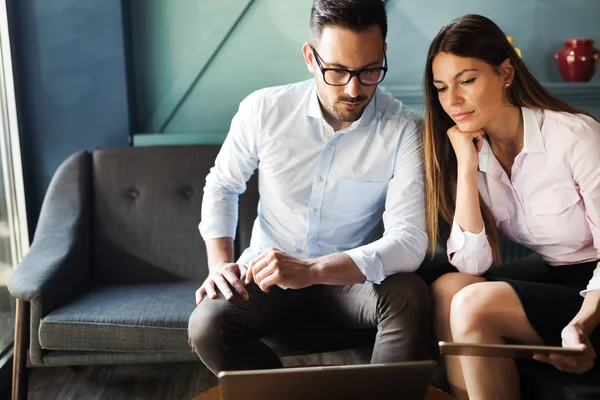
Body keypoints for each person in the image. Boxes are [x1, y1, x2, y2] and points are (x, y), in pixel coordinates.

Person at [187, 0, 431, 375]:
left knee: (409, 295)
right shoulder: (264, 109)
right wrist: (219, 264)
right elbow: (222, 185)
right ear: (310, 57)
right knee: (207, 323)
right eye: (336, 71)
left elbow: (410, 241)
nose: (353, 89)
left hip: (349, 281)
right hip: (265, 277)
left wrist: (312, 270)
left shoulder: (404, 129)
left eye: (369, 71)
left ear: (383, 53)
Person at [423, 13, 600, 400]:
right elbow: (471, 265)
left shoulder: (575, 136)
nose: (452, 100)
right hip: (557, 281)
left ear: (505, 74)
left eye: (466, 80)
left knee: (473, 303)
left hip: (595, 295)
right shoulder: (466, 149)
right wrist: (468, 169)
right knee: (450, 288)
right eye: (440, 88)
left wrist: (583, 324)